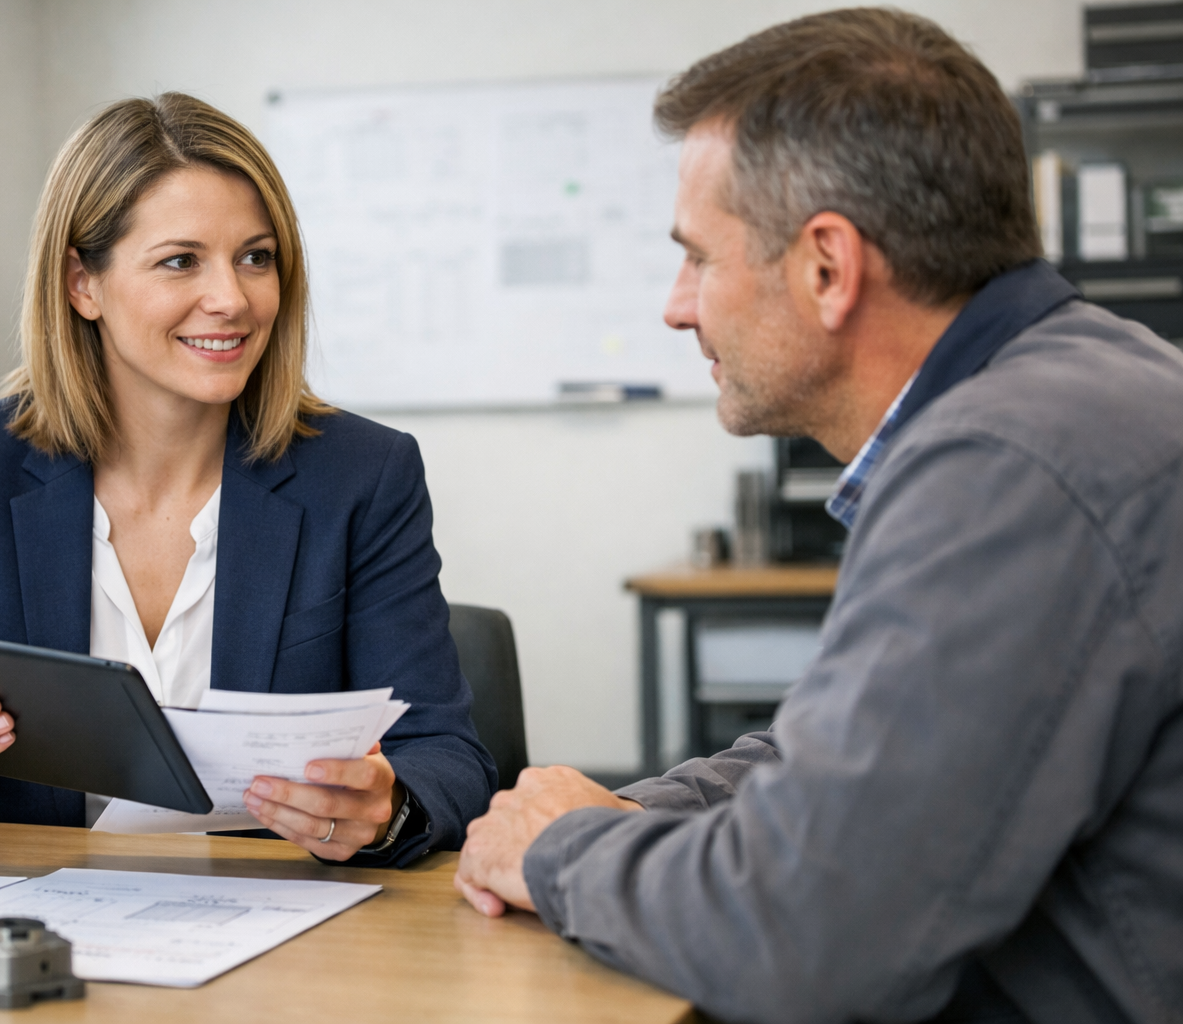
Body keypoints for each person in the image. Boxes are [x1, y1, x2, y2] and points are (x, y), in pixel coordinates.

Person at [454, 9, 1183, 1022]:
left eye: (698, 258)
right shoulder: (1081, 380)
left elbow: (802, 935)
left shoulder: (1007, 466)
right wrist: (628, 811)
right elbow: (832, 755)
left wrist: (564, 848)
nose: (676, 307)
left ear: (828, 268)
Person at [0, 93, 496, 867]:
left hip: (283, 936)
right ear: (82, 284)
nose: (232, 298)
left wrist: (385, 809)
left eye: (256, 257)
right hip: (42, 929)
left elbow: (448, 758)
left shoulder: (360, 475)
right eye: (181, 261)